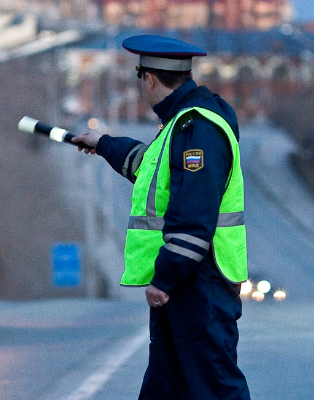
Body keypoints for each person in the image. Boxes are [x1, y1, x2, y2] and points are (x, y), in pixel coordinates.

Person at [72, 35, 251, 400]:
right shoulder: (181, 125)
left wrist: (165, 279)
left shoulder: (198, 129)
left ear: (148, 79)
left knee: (214, 389)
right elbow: (152, 170)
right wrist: (104, 143)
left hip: (200, 283)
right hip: (189, 285)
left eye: (140, 77)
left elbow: (194, 216)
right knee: (166, 389)